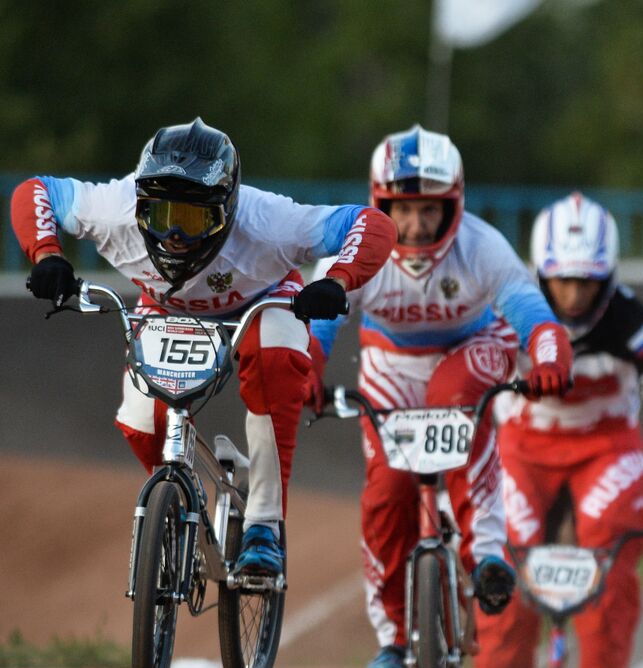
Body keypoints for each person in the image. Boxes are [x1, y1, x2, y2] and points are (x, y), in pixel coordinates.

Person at [12, 117, 393, 577]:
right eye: (161, 214)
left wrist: (337, 280)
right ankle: (176, 503)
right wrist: (47, 253)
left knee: (277, 363)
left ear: (228, 209)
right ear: (139, 203)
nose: (174, 235)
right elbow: (36, 191)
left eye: (193, 219)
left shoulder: (268, 221)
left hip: (262, 299)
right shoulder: (113, 207)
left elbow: (369, 224)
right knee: (140, 424)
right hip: (167, 306)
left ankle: (264, 526)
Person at [307, 125, 574, 668]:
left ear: (454, 205)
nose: (415, 226)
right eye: (401, 210)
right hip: (391, 362)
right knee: (387, 489)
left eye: (430, 210)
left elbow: (535, 316)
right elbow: (320, 318)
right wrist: (306, 368)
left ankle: (487, 554)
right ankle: (393, 640)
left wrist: (549, 358)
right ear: (379, 205)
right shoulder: (357, 249)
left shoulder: (481, 245)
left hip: (474, 349)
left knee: (454, 399)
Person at [481, 192, 643, 668]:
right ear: (540, 272)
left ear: (609, 274)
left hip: (606, 448)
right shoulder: (504, 313)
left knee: (610, 558)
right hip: (521, 445)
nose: (575, 295)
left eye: (587, 281)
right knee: (504, 562)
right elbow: (470, 385)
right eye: (563, 280)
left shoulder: (634, 322)